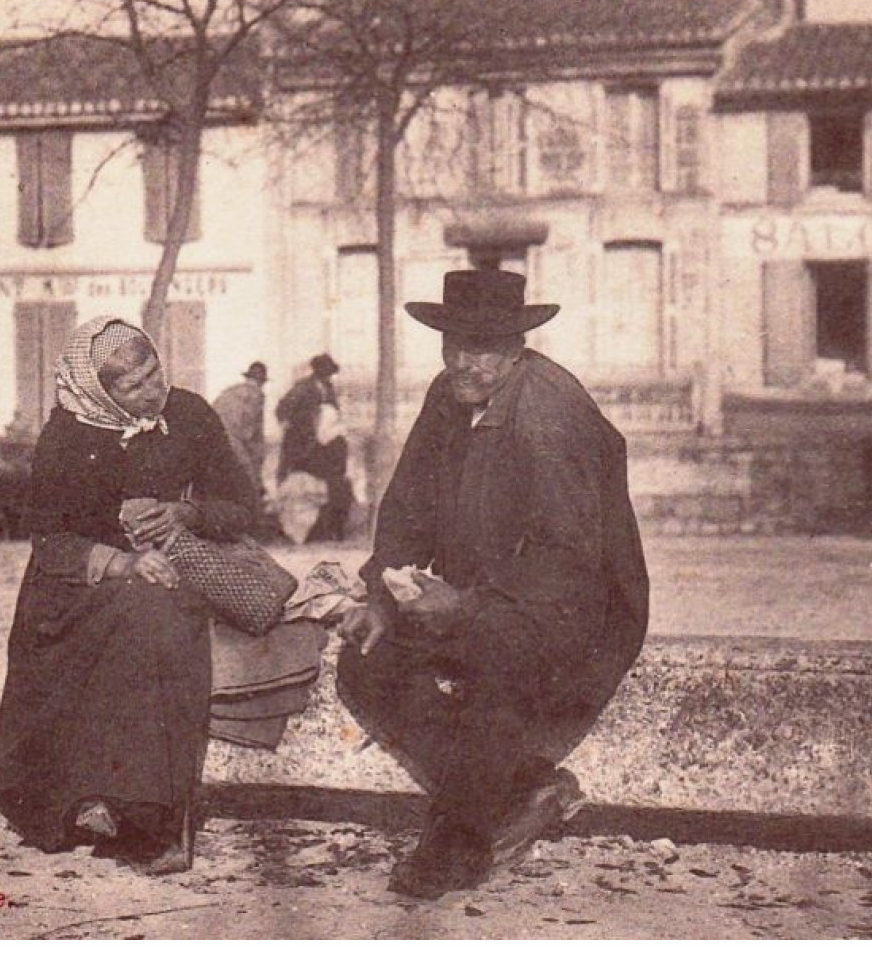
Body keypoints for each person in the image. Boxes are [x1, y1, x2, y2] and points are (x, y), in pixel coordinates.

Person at [336, 269, 650, 899]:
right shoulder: (447, 394)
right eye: (452, 344)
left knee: (495, 659)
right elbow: (408, 507)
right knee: (364, 663)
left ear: (516, 347)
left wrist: (464, 608)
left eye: (480, 348)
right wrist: (380, 593)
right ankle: (524, 789)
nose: (462, 362)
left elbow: (569, 559)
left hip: (578, 609)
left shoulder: (550, 417)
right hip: (483, 597)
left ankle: (459, 840)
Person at [0, 316, 257, 874]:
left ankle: (153, 816)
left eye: (154, 371)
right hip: (80, 582)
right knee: (115, 619)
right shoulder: (66, 435)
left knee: (156, 619)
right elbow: (51, 540)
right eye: (133, 386)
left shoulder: (189, 415)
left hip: (170, 569)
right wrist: (121, 562)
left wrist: (185, 513)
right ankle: (82, 801)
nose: (153, 389)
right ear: (100, 392)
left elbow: (241, 507)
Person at [275, 353, 351, 542]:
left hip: (322, 445)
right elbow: (282, 410)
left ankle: (326, 530)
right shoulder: (303, 388)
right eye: (325, 371)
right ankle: (294, 531)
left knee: (328, 485)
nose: (328, 375)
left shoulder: (328, 389)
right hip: (302, 444)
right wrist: (296, 429)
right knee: (296, 484)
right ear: (318, 371)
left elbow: (332, 416)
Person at [211, 361, 268, 502]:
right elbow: (250, 433)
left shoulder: (230, 391)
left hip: (213, 438)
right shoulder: (256, 394)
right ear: (262, 381)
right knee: (247, 480)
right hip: (234, 440)